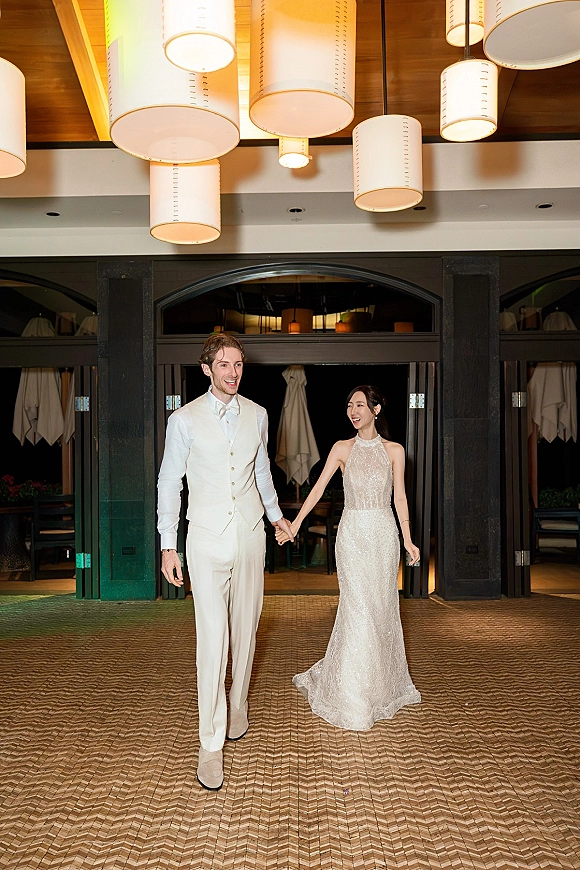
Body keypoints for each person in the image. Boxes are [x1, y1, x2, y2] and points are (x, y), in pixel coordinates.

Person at [157, 333, 294, 790]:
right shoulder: (184, 420)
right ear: (207, 369)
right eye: (224, 364)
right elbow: (169, 483)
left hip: (252, 536)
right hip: (205, 540)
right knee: (212, 641)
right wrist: (167, 544)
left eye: (238, 364)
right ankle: (210, 744)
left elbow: (261, 475)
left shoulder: (258, 414)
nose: (233, 372)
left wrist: (277, 518)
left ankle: (238, 703)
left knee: (248, 628)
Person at [276, 385, 421, 731]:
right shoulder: (342, 449)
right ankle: (352, 695)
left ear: (376, 409)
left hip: (384, 535)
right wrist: (295, 525)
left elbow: (399, 497)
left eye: (359, 405)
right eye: (349, 405)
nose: (353, 410)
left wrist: (408, 540)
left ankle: (379, 684)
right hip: (353, 535)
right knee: (357, 609)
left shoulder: (395, 451)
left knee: (380, 609)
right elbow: (317, 489)